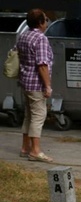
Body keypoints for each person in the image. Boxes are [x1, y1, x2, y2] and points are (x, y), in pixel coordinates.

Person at [17, 9, 54, 163]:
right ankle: (35, 151)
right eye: (45, 19)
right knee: (38, 116)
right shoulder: (40, 39)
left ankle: (25, 147)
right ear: (40, 22)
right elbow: (42, 65)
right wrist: (48, 86)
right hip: (37, 84)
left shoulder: (23, 36)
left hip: (25, 82)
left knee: (29, 116)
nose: (46, 22)